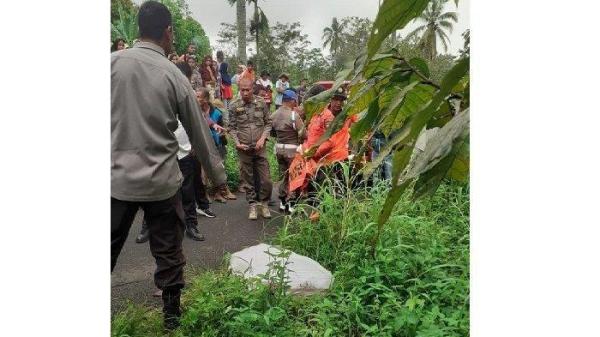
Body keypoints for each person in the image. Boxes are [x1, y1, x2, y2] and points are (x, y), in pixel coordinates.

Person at [111, 1, 226, 330]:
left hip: (115, 181)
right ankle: (172, 318)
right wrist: (218, 177)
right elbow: (198, 132)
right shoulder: (173, 75)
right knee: (168, 251)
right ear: (168, 32)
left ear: (137, 29)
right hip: (161, 183)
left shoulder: (110, 65)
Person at [228, 78, 273, 220]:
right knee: (248, 179)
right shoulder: (234, 105)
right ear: (239, 89)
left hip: (260, 148)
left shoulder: (261, 102)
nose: (245, 93)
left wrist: (262, 139)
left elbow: (268, 123)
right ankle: (253, 205)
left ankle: (264, 204)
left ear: (253, 88)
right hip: (244, 149)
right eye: (242, 90)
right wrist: (237, 142)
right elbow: (232, 128)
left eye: (248, 89)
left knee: (266, 179)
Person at [196, 88, 237, 201]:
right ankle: (205, 194)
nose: (196, 98)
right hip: (202, 145)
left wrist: (221, 134)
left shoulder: (216, 112)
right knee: (203, 170)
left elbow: (223, 127)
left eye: (199, 96)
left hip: (217, 144)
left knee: (219, 168)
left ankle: (220, 192)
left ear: (206, 99)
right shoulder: (195, 112)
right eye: (196, 96)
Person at [271, 89, 305, 213]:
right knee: (294, 176)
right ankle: (291, 204)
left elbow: (272, 132)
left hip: (279, 149)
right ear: (291, 101)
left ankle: (282, 202)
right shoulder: (293, 115)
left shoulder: (274, 114)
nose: (296, 103)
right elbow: (302, 133)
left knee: (283, 176)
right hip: (292, 150)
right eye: (295, 101)